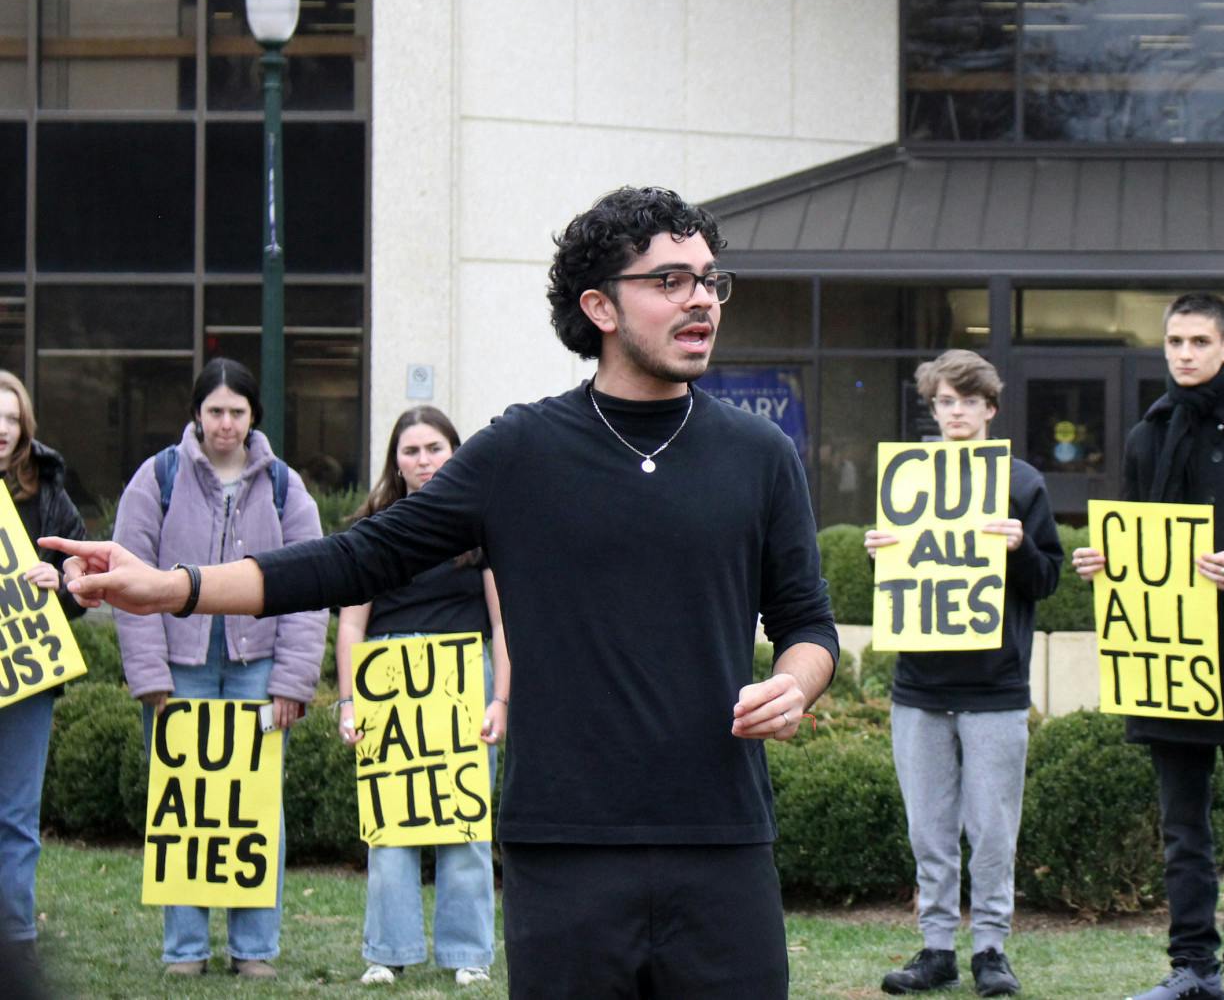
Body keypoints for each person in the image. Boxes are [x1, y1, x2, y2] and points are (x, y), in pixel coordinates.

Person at [52, 186, 837, 999]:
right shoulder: (522, 451)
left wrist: (796, 680)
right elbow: (358, 557)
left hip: (723, 842)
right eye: (670, 280)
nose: (702, 297)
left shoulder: (760, 454)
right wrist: (173, 587)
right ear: (599, 304)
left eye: (710, 278)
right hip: (563, 846)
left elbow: (808, 623)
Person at [1071, 293, 1224, 1000]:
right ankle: (1192, 967)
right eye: (1174, 340)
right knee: (1182, 830)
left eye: (1198, 340)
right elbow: (1138, 535)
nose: (1184, 352)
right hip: (1165, 659)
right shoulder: (1148, 435)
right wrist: (1107, 560)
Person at [110, 357, 326, 979]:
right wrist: (149, 677)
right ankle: (186, 949)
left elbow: (310, 586)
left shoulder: (286, 486)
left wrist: (291, 683)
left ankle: (254, 948)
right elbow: (128, 577)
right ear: (197, 415)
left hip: (257, 670)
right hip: (180, 674)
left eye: (236, 411)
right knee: (181, 807)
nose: (225, 424)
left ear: (253, 415)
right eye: (214, 411)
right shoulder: (157, 479)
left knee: (258, 807)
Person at [865, 351, 1063, 998]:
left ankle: (992, 949)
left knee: (993, 829)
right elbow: (905, 587)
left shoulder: (1023, 482)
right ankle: (937, 947)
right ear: (934, 408)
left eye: (967, 401)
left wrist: (1019, 546)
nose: (955, 412)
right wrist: (880, 556)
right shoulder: (908, 480)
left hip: (995, 686)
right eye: (945, 401)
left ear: (990, 408)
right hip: (920, 684)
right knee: (929, 828)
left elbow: (1047, 580)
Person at [334, 406, 510, 988]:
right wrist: (349, 701)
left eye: (434, 447)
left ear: (455, 451)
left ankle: (468, 954)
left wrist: (501, 699)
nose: (424, 460)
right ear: (395, 460)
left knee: (466, 825)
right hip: (387, 685)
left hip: (464, 680)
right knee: (390, 829)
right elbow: (352, 625)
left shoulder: (481, 525)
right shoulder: (372, 526)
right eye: (411, 451)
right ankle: (388, 951)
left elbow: (502, 621)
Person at [0, 371, 86, 988]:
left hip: (26, 677)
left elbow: (83, 574)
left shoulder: (48, 489)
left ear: (24, 425)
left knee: (16, 815)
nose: (0, 429)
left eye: (9, 418)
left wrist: (63, 583)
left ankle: (17, 939)